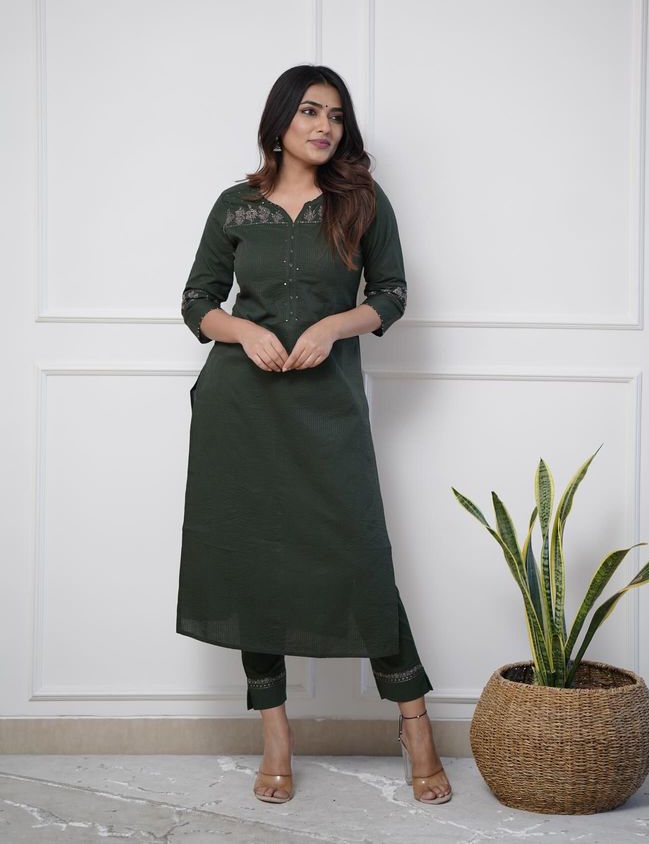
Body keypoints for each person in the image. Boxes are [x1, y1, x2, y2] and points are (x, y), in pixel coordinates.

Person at [176, 65, 452, 806]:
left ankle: (415, 724)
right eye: (309, 112)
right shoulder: (235, 206)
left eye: (335, 115)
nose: (325, 126)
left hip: (327, 411)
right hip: (242, 410)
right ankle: (276, 736)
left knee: (360, 555)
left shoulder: (361, 202)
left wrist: (334, 325)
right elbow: (197, 299)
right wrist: (242, 332)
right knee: (254, 565)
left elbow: (391, 293)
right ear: (279, 123)